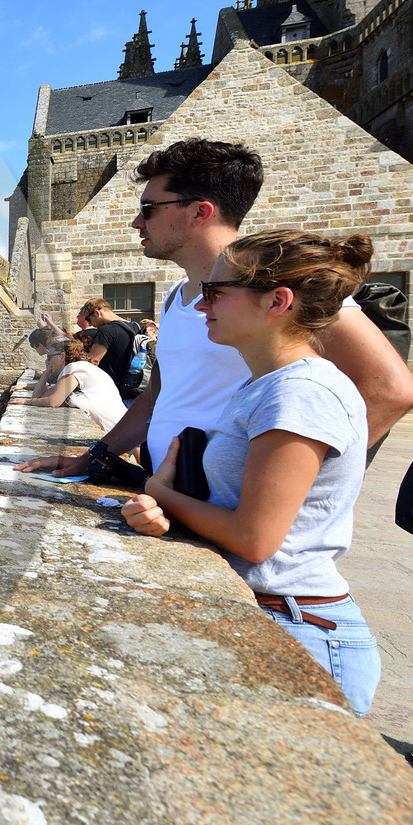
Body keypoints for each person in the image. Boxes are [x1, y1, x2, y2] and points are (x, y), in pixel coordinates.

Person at [15, 138, 413, 484]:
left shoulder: (276, 287)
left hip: (227, 521)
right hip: (172, 496)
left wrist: (282, 490)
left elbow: (390, 391)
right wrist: (94, 457)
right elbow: (159, 397)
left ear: (199, 212)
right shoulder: (175, 296)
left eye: (150, 208)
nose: (137, 221)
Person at [120, 229, 381, 715]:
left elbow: (255, 538)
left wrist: (161, 492)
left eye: (216, 292)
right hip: (275, 616)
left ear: (276, 302)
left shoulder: (301, 392)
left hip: (299, 629)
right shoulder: (264, 383)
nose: (202, 306)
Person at [13, 339, 127, 434]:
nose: (47, 362)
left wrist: (25, 402)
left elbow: (53, 401)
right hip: (119, 427)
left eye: (49, 357)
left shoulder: (74, 368)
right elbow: (39, 396)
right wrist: (45, 374)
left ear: (62, 356)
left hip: (114, 429)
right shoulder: (78, 368)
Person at [77, 298, 145, 400]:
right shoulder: (136, 327)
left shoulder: (106, 331)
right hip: (138, 393)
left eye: (88, 319)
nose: (90, 324)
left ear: (97, 313)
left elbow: (92, 363)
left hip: (116, 395)